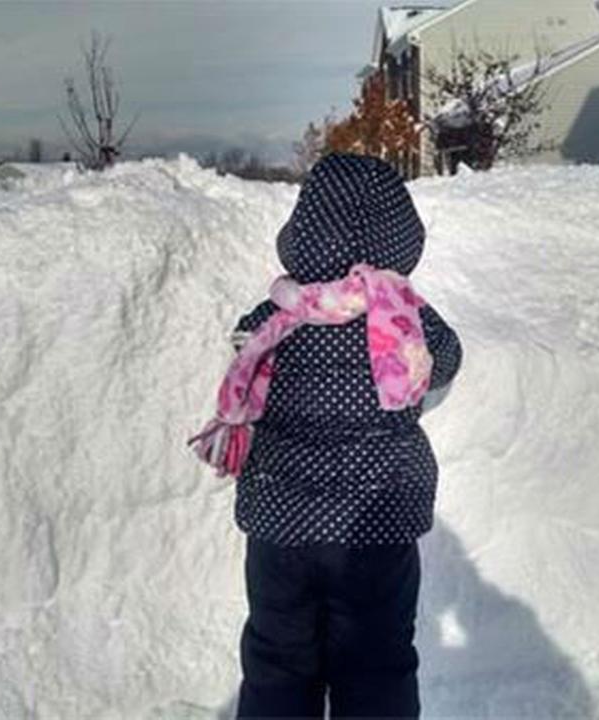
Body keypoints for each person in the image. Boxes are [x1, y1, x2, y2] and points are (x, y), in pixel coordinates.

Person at [189, 153, 463, 719]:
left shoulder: (277, 312)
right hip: (376, 527)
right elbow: (445, 361)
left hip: (280, 527)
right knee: (376, 663)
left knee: (277, 660)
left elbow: (244, 346)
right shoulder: (407, 316)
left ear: (301, 233)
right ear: (401, 236)